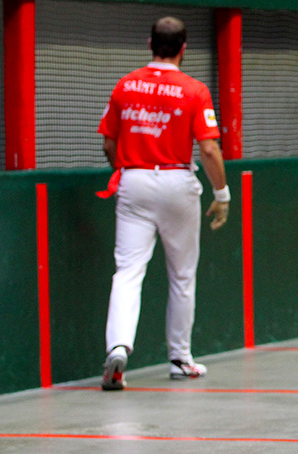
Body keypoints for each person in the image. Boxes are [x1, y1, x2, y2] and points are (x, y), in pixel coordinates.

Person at [97, 16, 229, 391]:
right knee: (182, 275)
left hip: (133, 181)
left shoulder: (125, 84)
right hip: (176, 182)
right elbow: (207, 147)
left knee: (127, 272)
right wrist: (222, 194)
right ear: (184, 49)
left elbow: (109, 142)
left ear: (149, 43)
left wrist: (128, 173)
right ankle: (180, 359)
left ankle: (118, 347)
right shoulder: (195, 90)